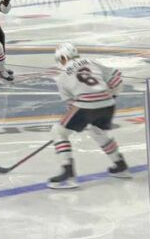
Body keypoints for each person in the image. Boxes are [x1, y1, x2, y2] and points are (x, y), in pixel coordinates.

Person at [47, 43, 129, 189]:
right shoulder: (92, 62)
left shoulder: (61, 76)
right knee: (97, 131)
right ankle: (119, 164)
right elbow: (117, 78)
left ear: (63, 57)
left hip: (86, 105)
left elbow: (72, 105)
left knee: (58, 131)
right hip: (108, 104)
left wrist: (81, 118)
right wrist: (111, 96)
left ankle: (68, 173)